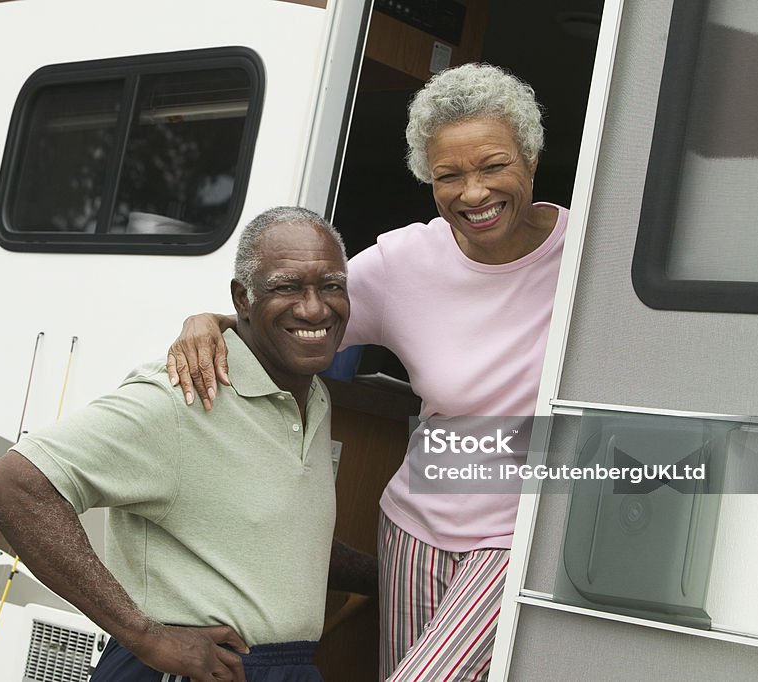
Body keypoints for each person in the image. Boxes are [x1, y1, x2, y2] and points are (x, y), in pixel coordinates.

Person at [165, 63, 568, 681]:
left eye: (493, 166)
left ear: (530, 159)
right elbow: (298, 319)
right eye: (448, 176)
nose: (474, 193)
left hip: (525, 531)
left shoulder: (590, 250)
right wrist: (211, 321)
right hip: (416, 526)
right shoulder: (405, 261)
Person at [0, 206, 376, 682]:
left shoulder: (312, 395)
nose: (313, 307)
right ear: (242, 299)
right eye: (286, 286)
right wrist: (146, 636)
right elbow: (12, 485)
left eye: (331, 285)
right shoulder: (184, 395)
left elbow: (282, 544)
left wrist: (392, 577)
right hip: (198, 668)